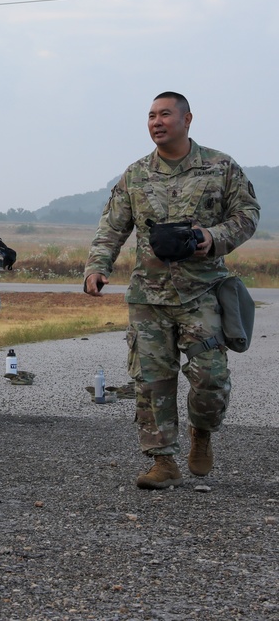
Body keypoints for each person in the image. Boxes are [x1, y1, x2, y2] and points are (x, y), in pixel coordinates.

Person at [84, 91, 259, 490]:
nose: (156, 122)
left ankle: (202, 433)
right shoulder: (135, 175)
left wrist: (212, 238)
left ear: (187, 119)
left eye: (164, 114)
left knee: (210, 377)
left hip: (202, 291)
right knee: (150, 382)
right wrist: (97, 267)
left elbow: (247, 214)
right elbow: (112, 227)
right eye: (150, 116)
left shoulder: (220, 167)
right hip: (149, 296)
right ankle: (163, 461)